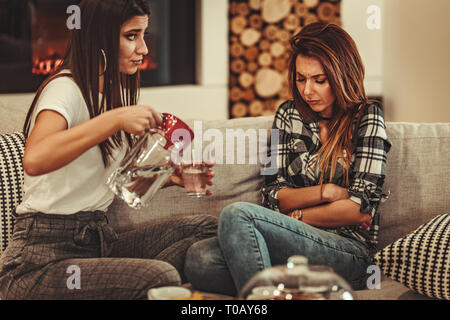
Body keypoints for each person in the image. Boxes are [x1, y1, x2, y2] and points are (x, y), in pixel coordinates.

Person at [0, 0, 217, 300]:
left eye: (143, 35)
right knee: (160, 276)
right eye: (131, 36)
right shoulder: (66, 88)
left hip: (97, 241)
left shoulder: (112, 94)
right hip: (41, 261)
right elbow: (35, 159)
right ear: (99, 37)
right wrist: (114, 119)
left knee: (204, 228)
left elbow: (113, 183)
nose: (144, 49)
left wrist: (171, 179)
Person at [184, 22, 392, 297]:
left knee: (237, 215)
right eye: (301, 78)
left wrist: (299, 216)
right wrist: (326, 192)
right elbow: (273, 194)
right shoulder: (287, 114)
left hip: (348, 251)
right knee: (199, 259)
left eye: (320, 80)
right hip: (289, 241)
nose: (307, 91)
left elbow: (360, 210)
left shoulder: (368, 117)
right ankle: (291, 288)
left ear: (343, 75)